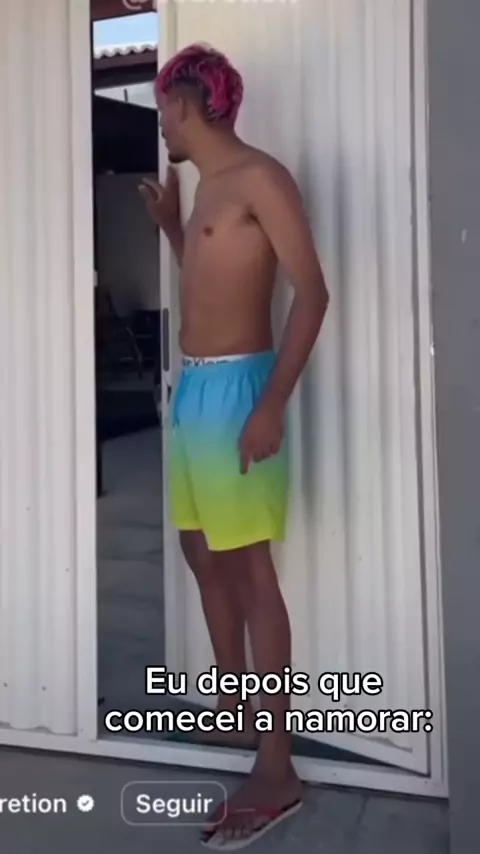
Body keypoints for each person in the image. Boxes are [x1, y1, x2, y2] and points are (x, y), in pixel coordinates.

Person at [139, 43, 329, 850]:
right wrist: (172, 230)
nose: (162, 127)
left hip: (242, 391)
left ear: (185, 106)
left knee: (250, 568)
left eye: (163, 111)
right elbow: (213, 278)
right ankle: (235, 708)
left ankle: (277, 768)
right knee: (199, 548)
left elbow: (312, 293)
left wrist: (272, 403)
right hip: (195, 391)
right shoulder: (210, 190)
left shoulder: (261, 178)